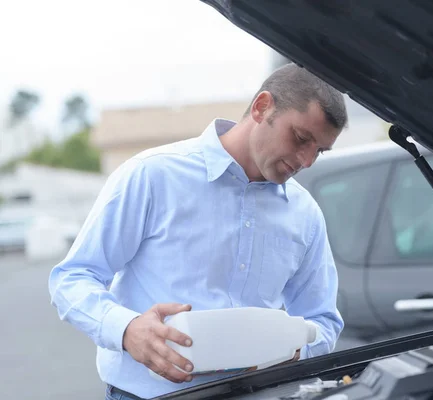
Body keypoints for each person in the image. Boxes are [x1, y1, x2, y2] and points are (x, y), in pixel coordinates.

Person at [48, 63, 348, 400]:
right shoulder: (152, 175)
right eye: (301, 138)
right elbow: (72, 277)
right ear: (262, 107)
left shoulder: (304, 213)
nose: (307, 161)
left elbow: (322, 319)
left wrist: (295, 348)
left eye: (319, 151)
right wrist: (127, 329)